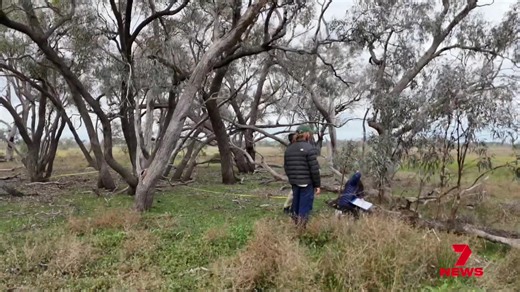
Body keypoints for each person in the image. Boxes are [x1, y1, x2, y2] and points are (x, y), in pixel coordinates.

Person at [283, 124, 321, 227]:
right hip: (307, 183)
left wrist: (292, 179)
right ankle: (301, 229)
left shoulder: (289, 148)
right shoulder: (310, 148)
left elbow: (286, 167)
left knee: (295, 204)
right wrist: (317, 185)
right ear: (307, 134)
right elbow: (314, 169)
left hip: (294, 182)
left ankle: (295, 225)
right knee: (304, 207)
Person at [283, 133, 296, 214]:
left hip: (294, 173)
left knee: (294, 191)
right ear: (293, 139)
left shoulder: (292, 148)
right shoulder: (291, 149)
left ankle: (289, 207)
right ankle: (287, 207)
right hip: (294, 173)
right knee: (294, 192)